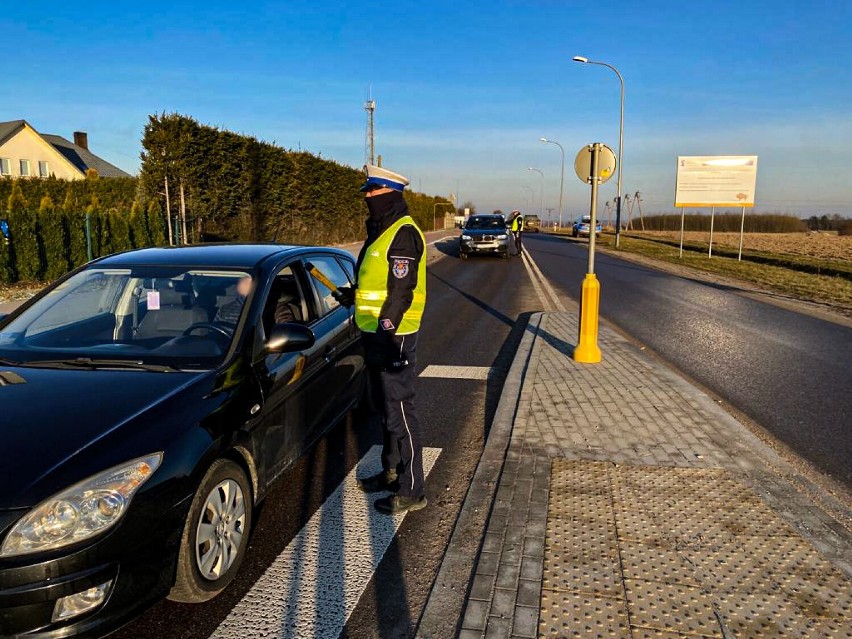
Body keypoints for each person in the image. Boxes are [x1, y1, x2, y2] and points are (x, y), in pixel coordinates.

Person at [337, 164, 428, 515]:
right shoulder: (381, 229)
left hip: (395, 336)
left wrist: (388, 328)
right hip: (377, 331)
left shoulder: (403, 232)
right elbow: (378, 282)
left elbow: (401, 290)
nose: (366, 197)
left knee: (401, 409)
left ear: (388, 192)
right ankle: (391, 471)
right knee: (385, 408)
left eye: (371, 191)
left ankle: (413, 489)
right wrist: (355, 295)